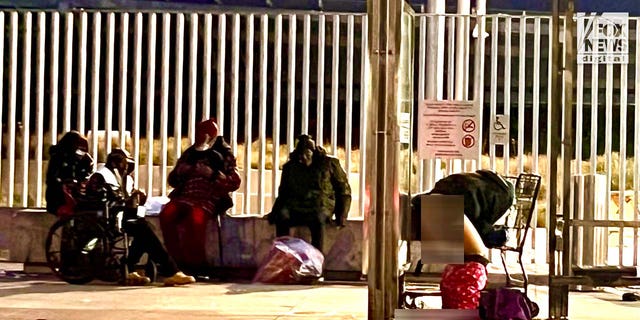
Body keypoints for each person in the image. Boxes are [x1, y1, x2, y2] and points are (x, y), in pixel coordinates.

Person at [84, 148, 196, 286]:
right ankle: (170, 271)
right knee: (143, 230)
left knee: (144, 228)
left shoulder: (126, 179)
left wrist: (137, 200)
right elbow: (96, 200)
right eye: (124, 164)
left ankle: (128, 269)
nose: (127, 168)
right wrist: (123, 201)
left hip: (122, 216)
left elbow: (128, 200)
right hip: (105, 218)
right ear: (115, 163)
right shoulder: (101, 176)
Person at [160, 119, 241, 274]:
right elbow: (172, 179)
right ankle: (175, 261)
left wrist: (213, 174)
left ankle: (196, 264)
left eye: (203, 133)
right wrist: (180, 172)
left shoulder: (223, 154)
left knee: (195, 218)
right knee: (167, 214)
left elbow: (235, 182)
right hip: (185, 196)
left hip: (208, 198)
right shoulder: (190, 153)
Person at [267, 134, 352, 252]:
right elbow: (283, 192)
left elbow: (343, 190)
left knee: (317, 219)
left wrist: (342, 215)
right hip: (297, 207)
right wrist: (274, 212)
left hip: (321, 206)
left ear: (313, 152)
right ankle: (283, 255)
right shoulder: (290, 167)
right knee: (282, 216)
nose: (304, 158)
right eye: (301, 154)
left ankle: (317, 260)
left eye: (307, 154)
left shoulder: (329, 164)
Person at [45, 131, 94, 217]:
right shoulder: (58, 157)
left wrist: (82, 180)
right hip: (59, 198)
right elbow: (52, 178)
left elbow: (88, 173)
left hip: (77, 195)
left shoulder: (84, 159)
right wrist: (65, 183)